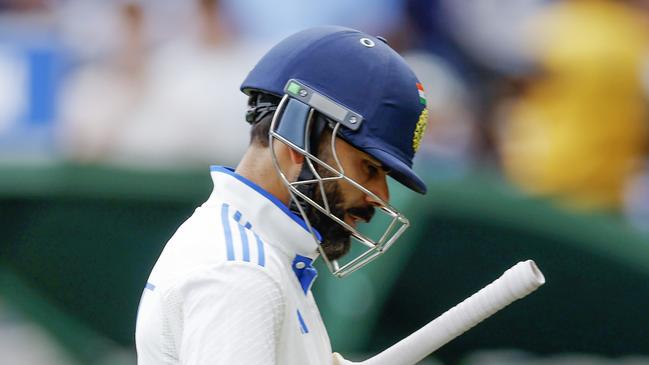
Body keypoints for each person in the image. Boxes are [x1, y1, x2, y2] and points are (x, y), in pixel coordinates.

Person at [135, 26, 429, 364]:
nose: (380, 195)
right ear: (297, 139)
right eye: (369, 167)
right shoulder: (240, 274)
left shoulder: (261, 258)